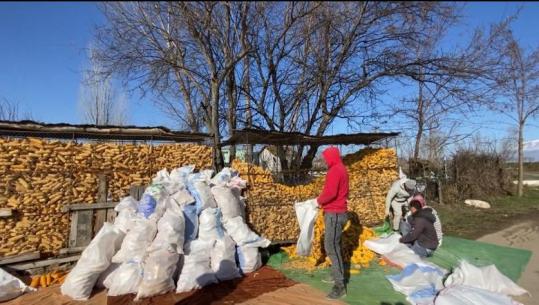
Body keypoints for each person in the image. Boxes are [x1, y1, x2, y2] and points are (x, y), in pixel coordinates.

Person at [316, 146, 349, 300]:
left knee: (331, 248)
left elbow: (330, 193)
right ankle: (337, 275)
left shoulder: (335, 170)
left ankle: (340, 286)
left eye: (326, 157)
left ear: (331, 157)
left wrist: (318, 201)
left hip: (334, 214)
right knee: (334, 247)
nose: (325, 160)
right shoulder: (341, 168)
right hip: (337, 212)